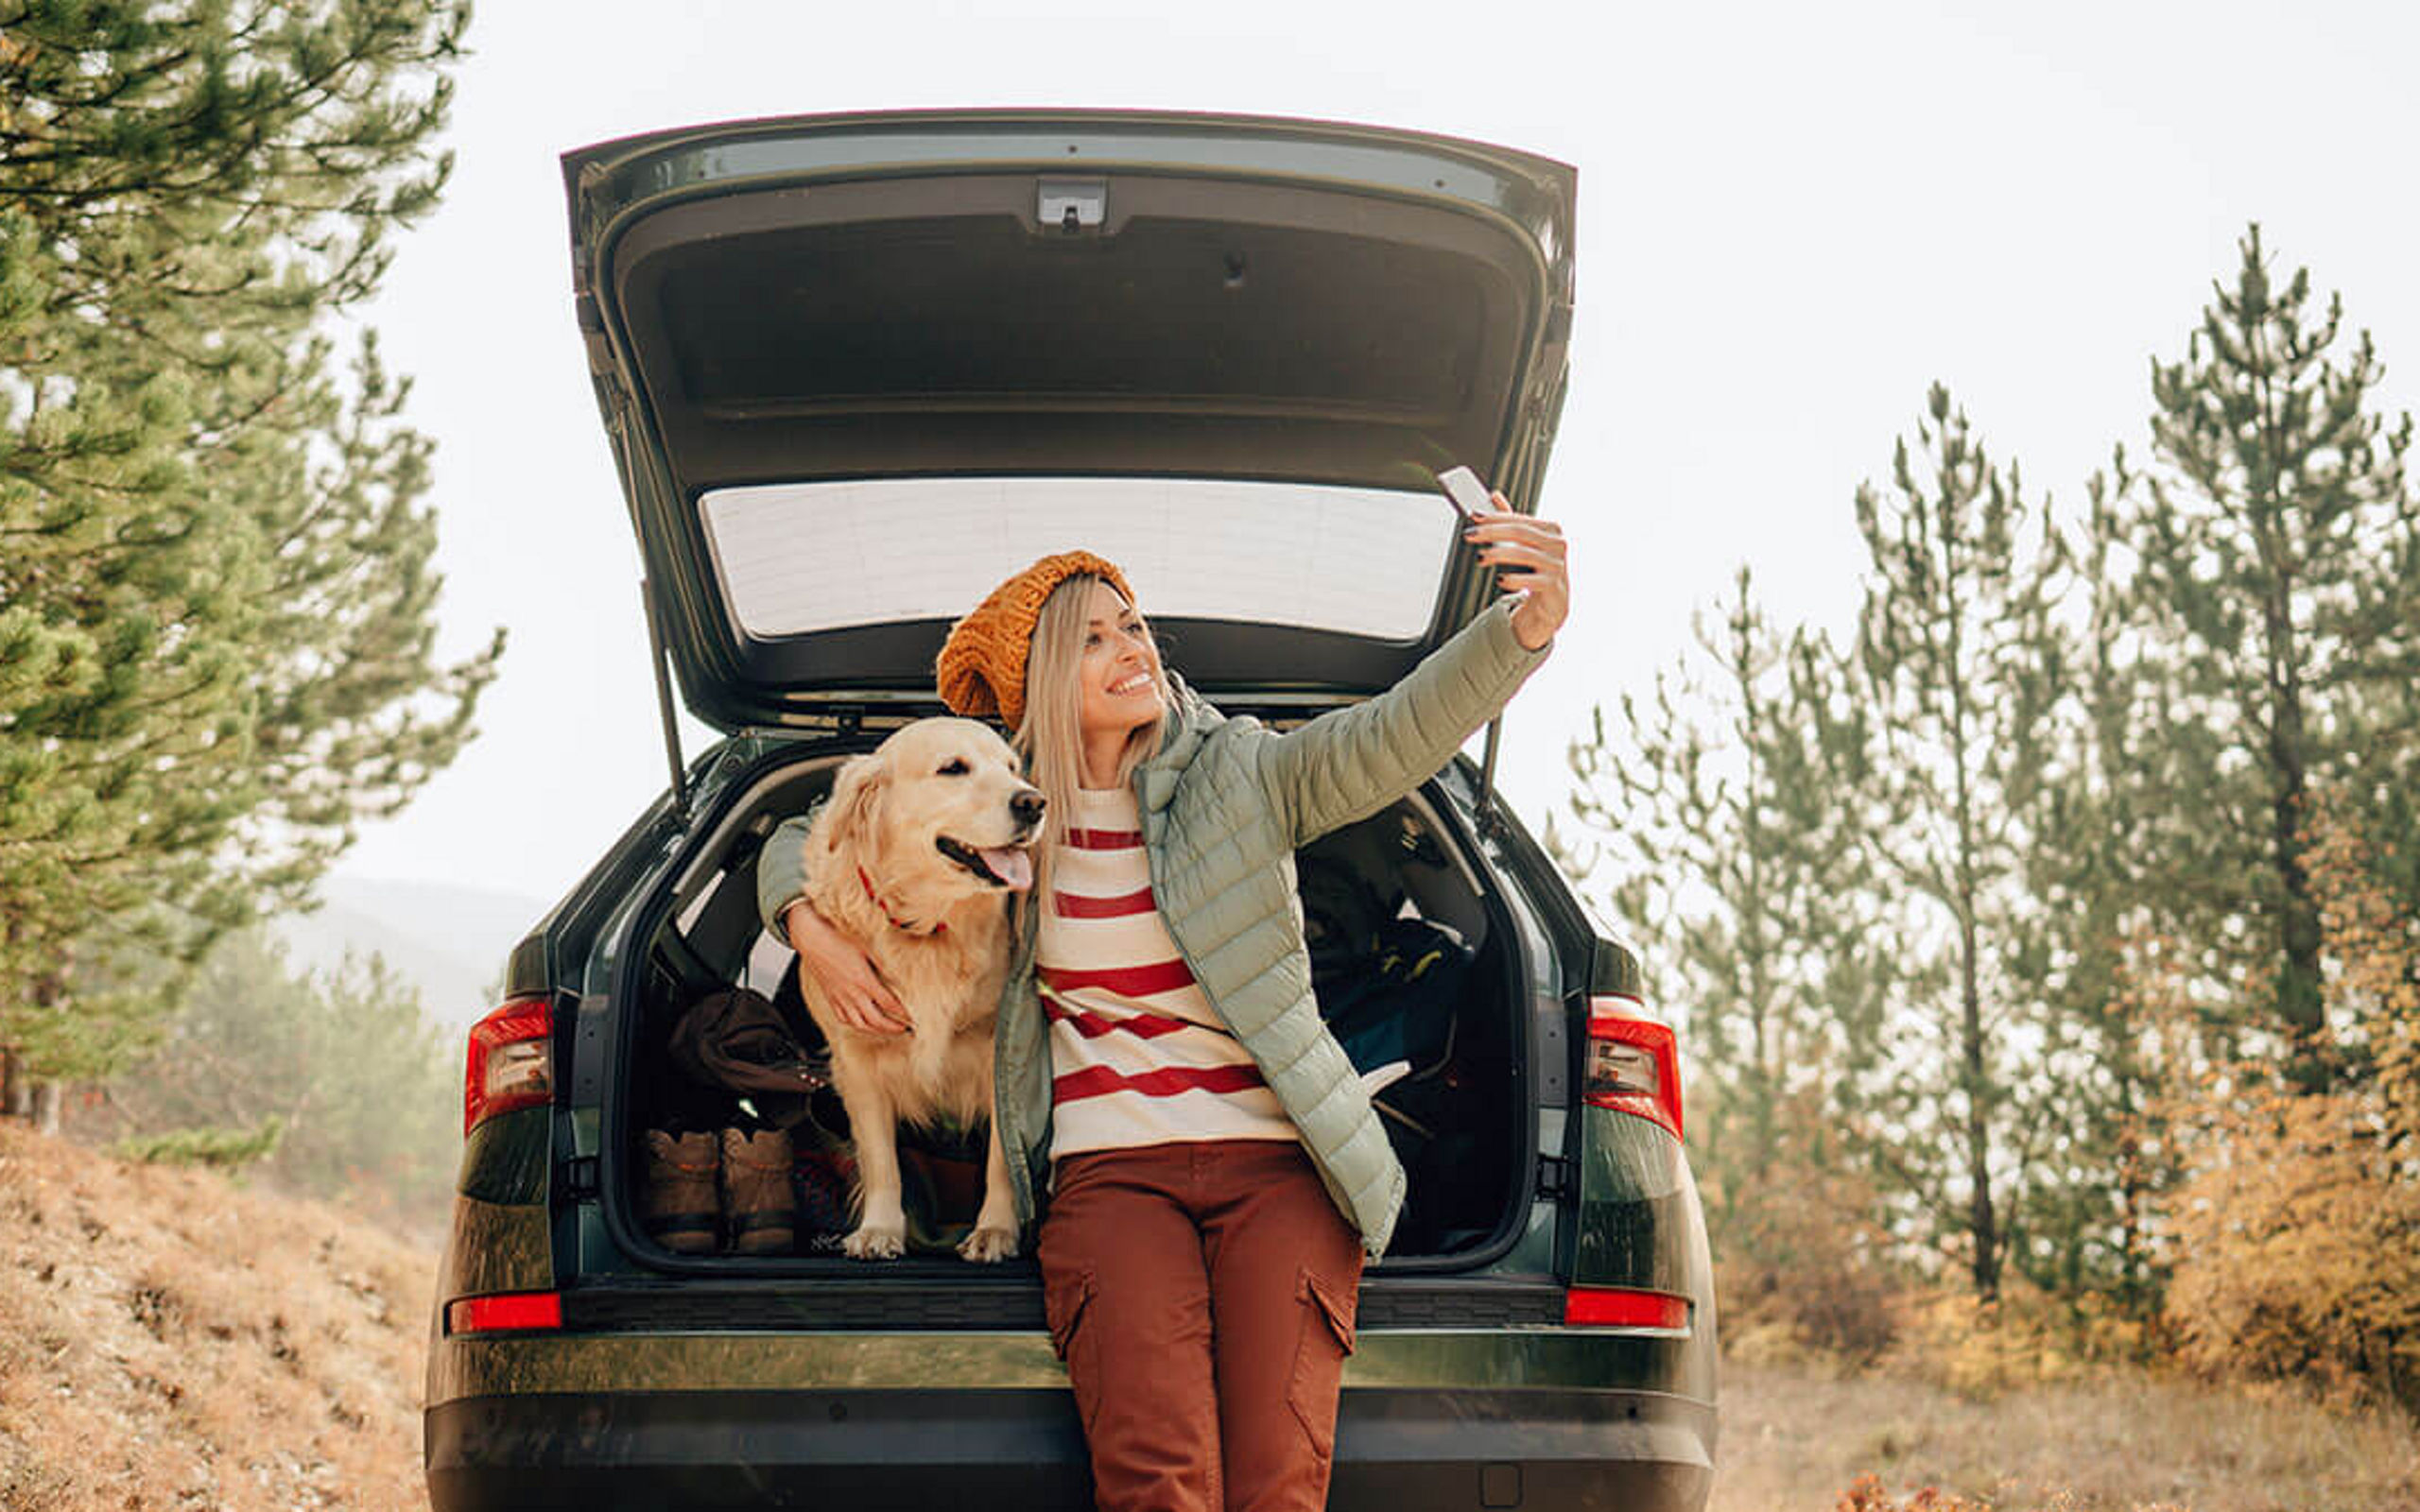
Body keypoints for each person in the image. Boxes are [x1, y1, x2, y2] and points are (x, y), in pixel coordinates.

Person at [757, 500, 1567, 1512]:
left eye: (1131, 624)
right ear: (1042, 678)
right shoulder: (1009, 819)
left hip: (1279, 1167)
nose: (1129, 647)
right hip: (1111, 1175)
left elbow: (1384, 739)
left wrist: (1518, 633)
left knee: (1277, 1487)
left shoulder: (1243, 772)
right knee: (1161, 1487)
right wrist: (808, 925)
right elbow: (812, 822)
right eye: (1091, 637)